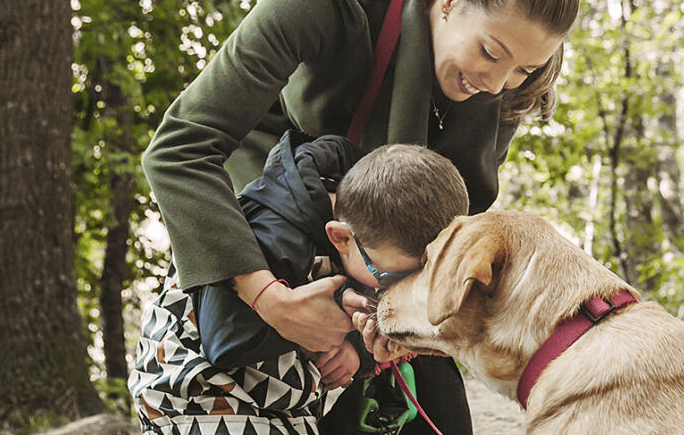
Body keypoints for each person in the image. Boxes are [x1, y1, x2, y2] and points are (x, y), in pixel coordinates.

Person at [140, 0, 579, 434]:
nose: (497, 83)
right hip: (268, 247)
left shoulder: (508, 83)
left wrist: (371, 349)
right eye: (490, 53)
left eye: (524, 70)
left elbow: (451, 246)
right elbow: (181, 147)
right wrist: (269, 297)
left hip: (388, 287)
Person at [129, 134, 470, 433]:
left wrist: (359, 351)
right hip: (198, 399)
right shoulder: (274, 232)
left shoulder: (376, 233)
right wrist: (336, 309)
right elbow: (226, 342)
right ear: (341, 239)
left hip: (284, 407)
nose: (393, 290)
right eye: (390, 278)